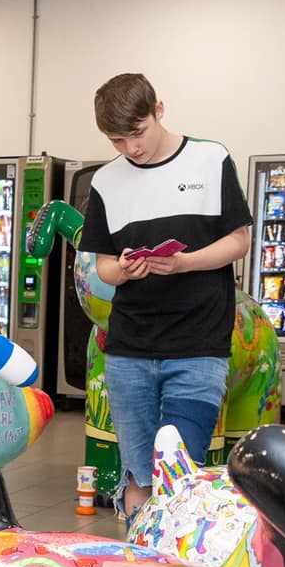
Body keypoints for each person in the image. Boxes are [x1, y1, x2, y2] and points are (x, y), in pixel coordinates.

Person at [79, 73, 251, 517]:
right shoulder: (105, 182)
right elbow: (103, 268)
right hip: (129, 351)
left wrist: (186, 262)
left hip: (198, 347)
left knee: (180, 477)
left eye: (137, 134)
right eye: (117, 141)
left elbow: (239, 239)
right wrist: (123, 269)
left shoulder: (211, 159)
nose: (131, 149)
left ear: (159, 110)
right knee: (137, 475)